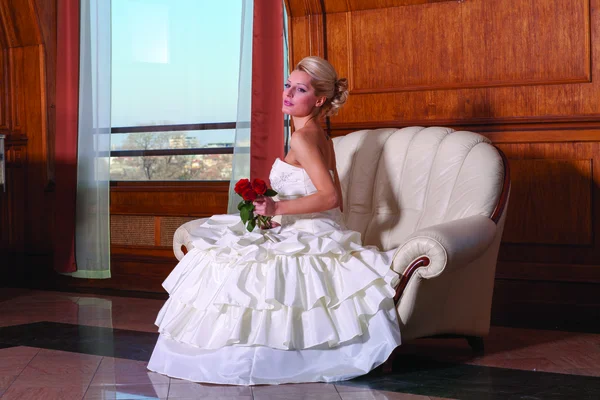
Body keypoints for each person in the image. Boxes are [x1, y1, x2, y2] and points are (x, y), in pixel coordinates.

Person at [147, 56, 401, 385]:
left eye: (300, 89)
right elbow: (331, 194)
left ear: (319, 99)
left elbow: (330, 197)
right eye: (287, 85)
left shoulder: (302, 138)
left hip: (308, 228)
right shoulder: (320, 135)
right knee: (227, 252)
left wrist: (276, 210)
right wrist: (279, 211)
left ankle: (245, 357)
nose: (288, 94)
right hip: (318, 225)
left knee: (230, 262)